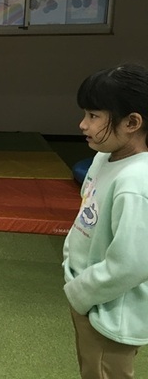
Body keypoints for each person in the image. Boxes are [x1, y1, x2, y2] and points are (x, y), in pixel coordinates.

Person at [63, 63, 148, 378]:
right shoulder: (103, 157)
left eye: (93, 116)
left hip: (110, 313)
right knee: (90, 368)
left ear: (132, 122)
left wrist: (81, 293)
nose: (83, 124)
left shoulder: (137, 182)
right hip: (88, 298)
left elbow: (132, 264)